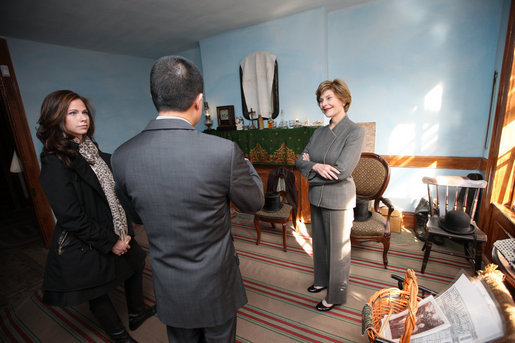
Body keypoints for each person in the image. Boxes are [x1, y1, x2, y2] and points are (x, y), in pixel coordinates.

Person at [111, 55, 264, 343]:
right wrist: (245, 163)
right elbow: (254, 203)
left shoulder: (121, 156)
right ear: (199, 100)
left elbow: (138, 216)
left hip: (170, 285)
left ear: (153, 97)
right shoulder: (223, 152)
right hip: (217, 282)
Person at [36, 90, 156, 343]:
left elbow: (118, 182)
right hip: (84, 236)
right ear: (56, 118)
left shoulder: (92, 151)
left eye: (84, 112)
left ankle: (136, 313)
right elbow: (69, 216)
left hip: (114, 226)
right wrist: (110, 242)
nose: (83, 118)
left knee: (135, 263)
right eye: (73, 113)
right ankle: (118, 336)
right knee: (96, 290)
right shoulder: (54, 160)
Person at [295, 79, 364, 312]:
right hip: (317, 197)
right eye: (321, 100)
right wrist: (315, 167)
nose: (324, 104)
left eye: (329, 98)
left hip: (339, 199)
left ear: (344, 99)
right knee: (321, 244)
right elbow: (299, 160)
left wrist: (310, 167)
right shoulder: (318, 132)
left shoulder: (355, 132)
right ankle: (322, 280)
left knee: (339, 250)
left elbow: (342, 171)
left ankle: (336, 294)